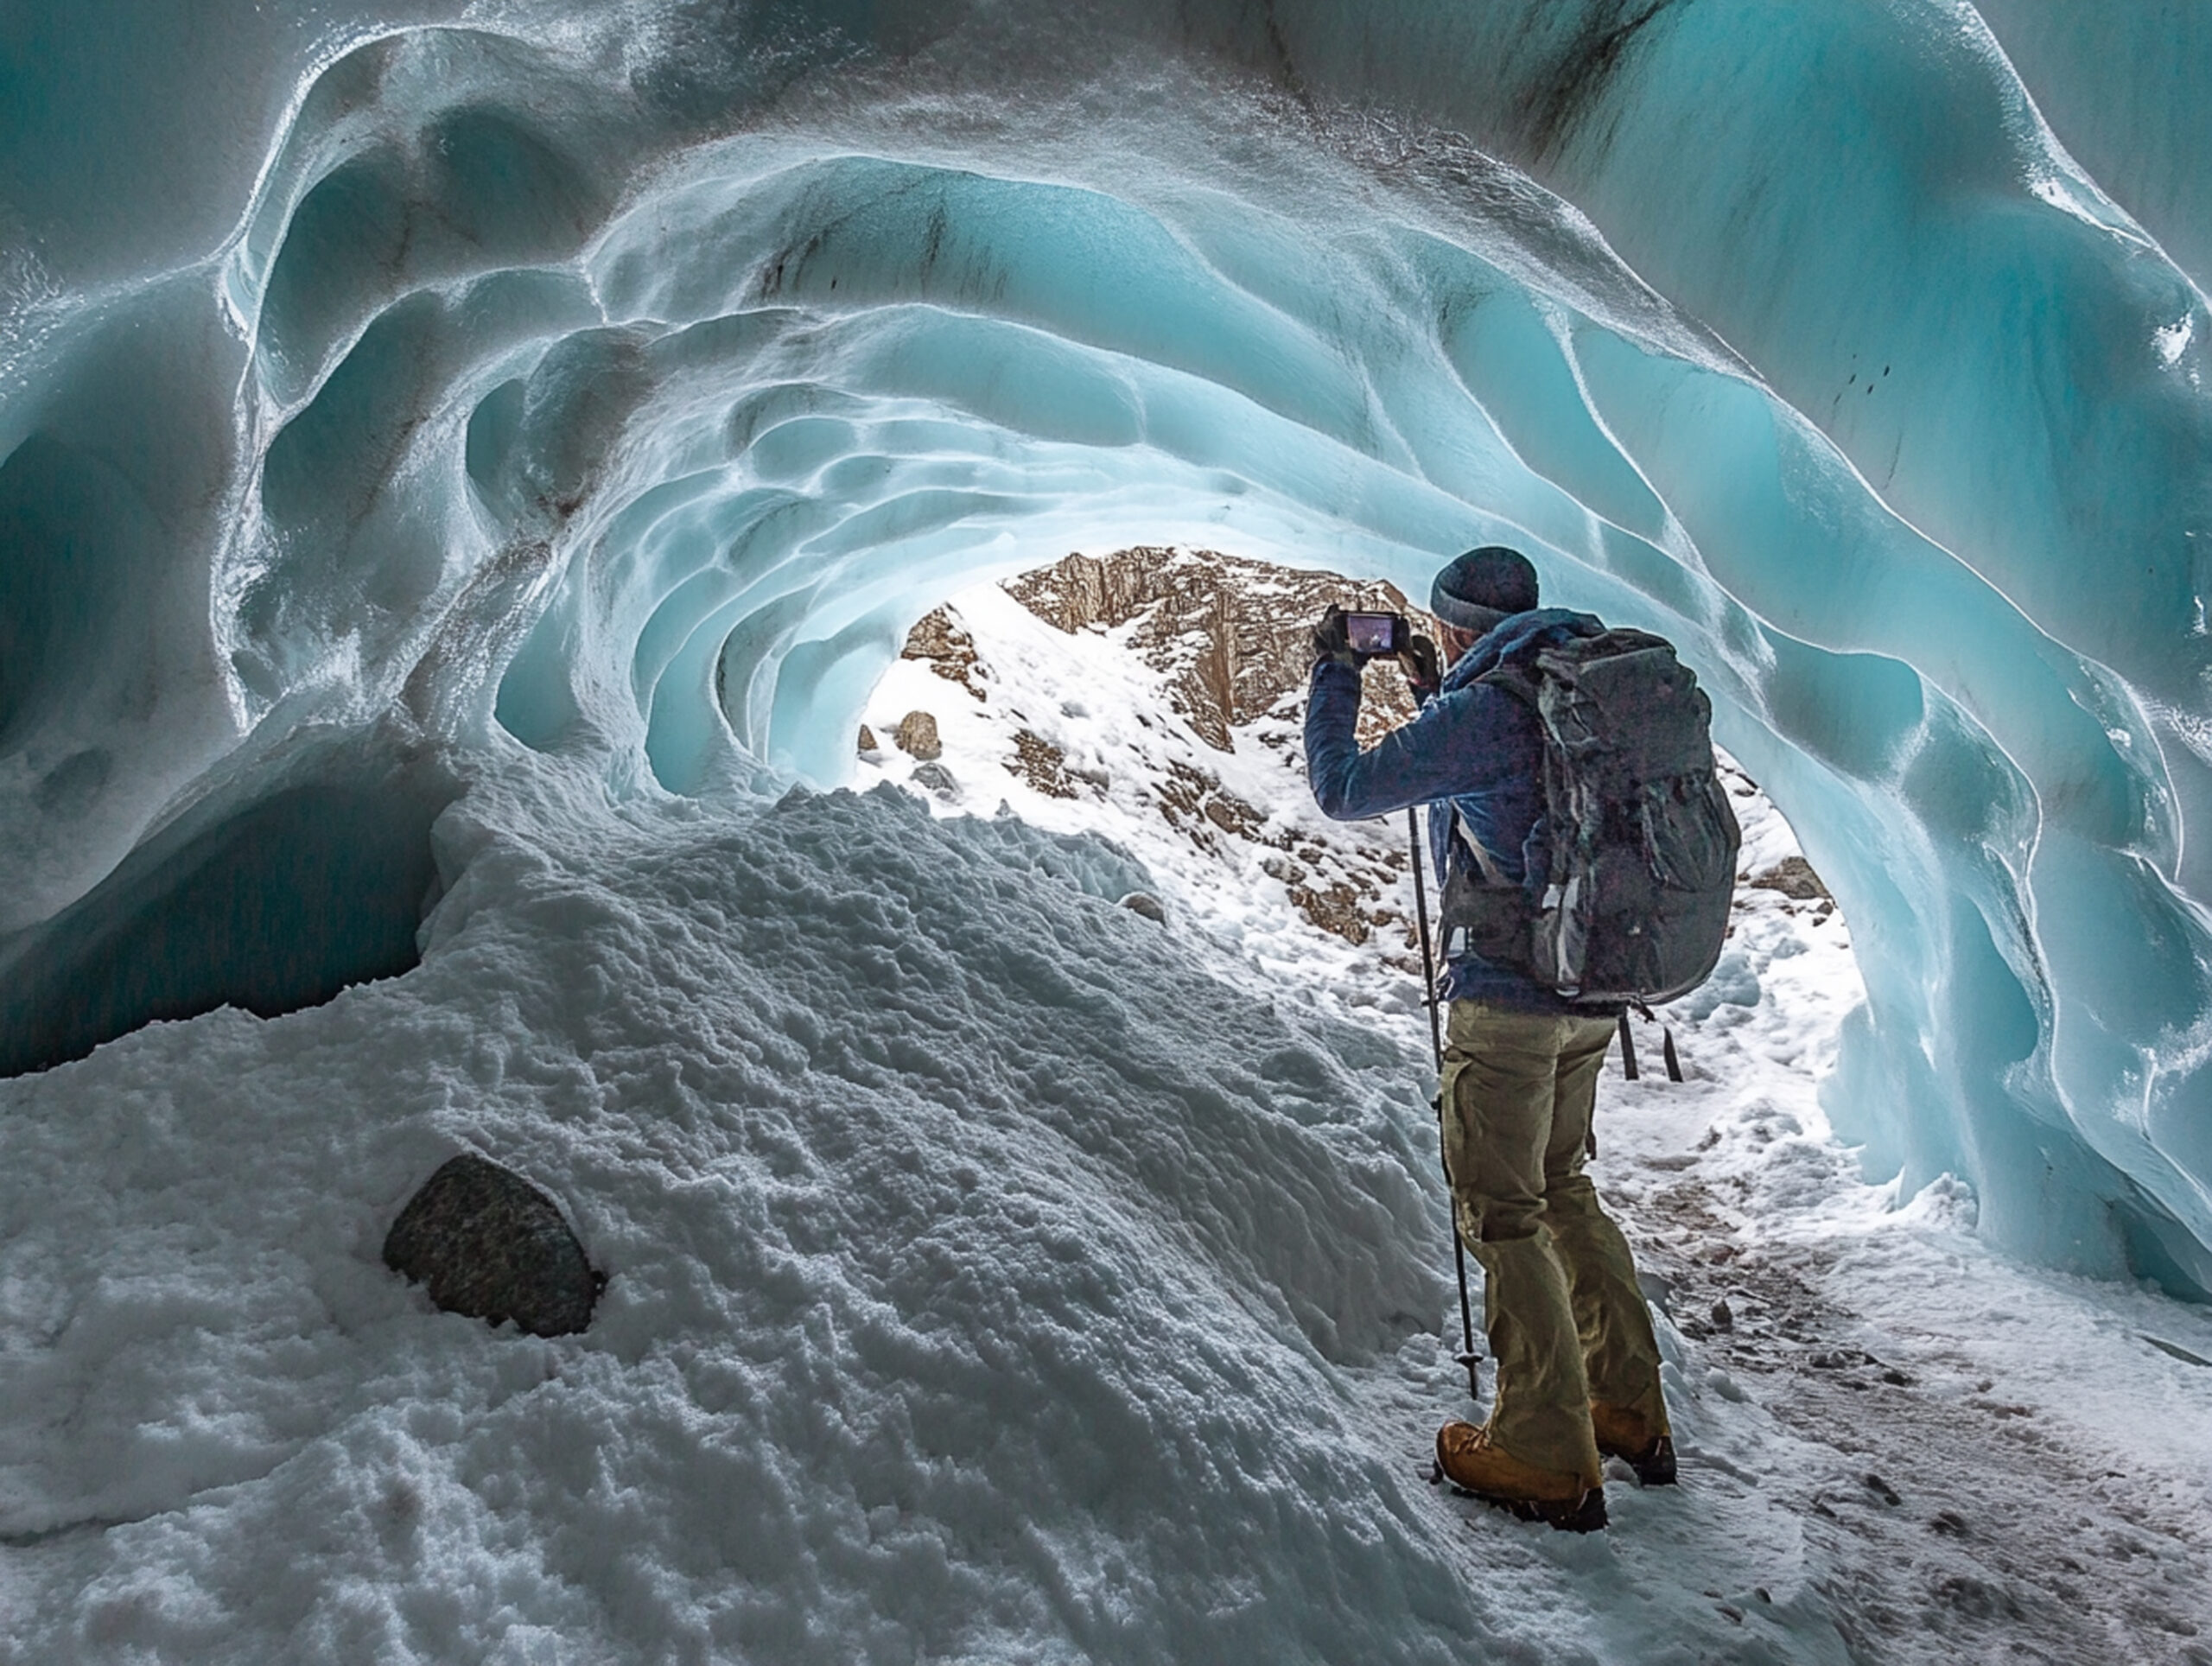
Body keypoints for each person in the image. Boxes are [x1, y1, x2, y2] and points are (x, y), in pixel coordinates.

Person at [1304, 546, 1672, 1533]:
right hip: (1590, 989)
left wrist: (1335, 670)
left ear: (1459, 625)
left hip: (1506, 1003)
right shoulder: (1571, 684)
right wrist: (1438, 689)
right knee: (1562, 1189)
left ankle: (1546, 1450)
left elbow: (1342, 788)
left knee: (1503, 1213)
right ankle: (1627, 1405)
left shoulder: (1486, 713)